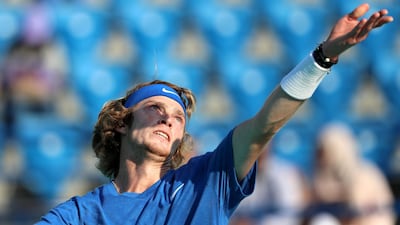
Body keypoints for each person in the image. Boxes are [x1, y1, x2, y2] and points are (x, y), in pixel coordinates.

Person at [35, 3, 394, 224]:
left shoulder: (205, 180)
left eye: (177, 118)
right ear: (122, 122)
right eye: (155, 108)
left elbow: (266, 125)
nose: (167, 119)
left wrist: (322, 58)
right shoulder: (80, 215)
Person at [304, 122, 396, 225]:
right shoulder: (320, 175)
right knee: (323, 220)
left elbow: (355, 211)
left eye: (325, 150)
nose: (322, 154)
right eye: (320, 150)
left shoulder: (365, 173)